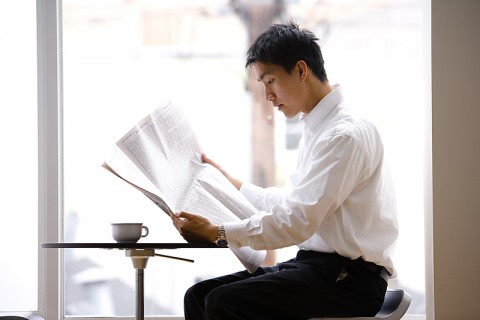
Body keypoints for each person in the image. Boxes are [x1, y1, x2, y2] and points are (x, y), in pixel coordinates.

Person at [171, 21, 398, 320]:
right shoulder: (320, 127)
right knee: (198, 296)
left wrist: (219, 233)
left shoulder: (343, 134)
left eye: (270, 81)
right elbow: (295, 204)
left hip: (349, 281)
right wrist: (232, 184)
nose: (267, 95)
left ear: (301, 70)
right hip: (318, 269)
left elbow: (297, 221)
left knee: (223, 302)